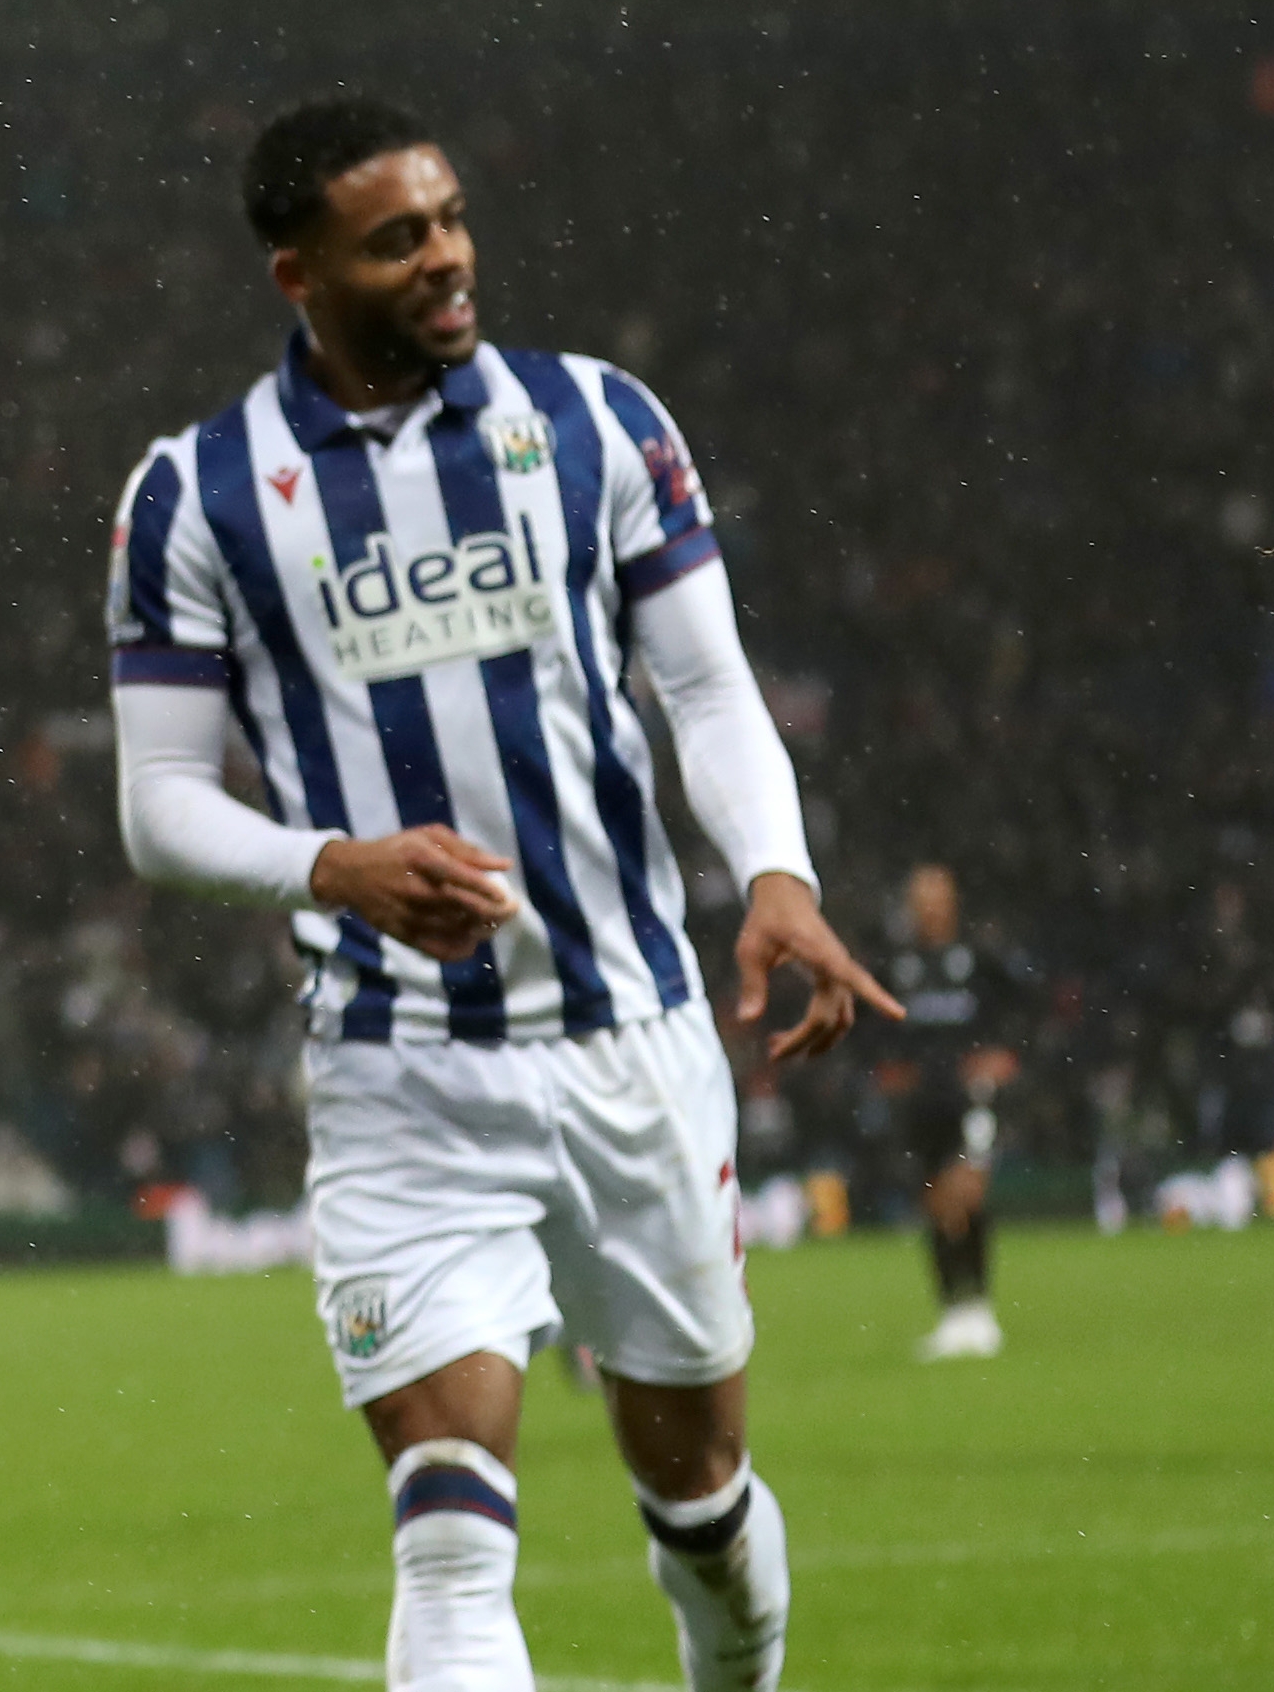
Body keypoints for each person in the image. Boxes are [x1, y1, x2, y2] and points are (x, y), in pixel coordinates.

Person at [102, 96, 898, 1692]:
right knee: (452, 1534)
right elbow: (161, 807)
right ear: (298, 273)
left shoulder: (596, 422)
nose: (449, 255)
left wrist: (777, 876)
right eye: (399, 237)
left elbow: (710, 689)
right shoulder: (193, 496)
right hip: (403, 1071)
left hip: (635, 1047)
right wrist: (328, 863)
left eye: (453, 217)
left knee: (701, 1508)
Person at [888, 862, 1018, 1360]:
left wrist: (1006, 1053)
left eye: (938, 898)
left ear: (952, 904)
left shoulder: (977, 961)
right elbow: (879, 1029)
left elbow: (1016, 1010)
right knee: (936, 1205)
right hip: (924, 1102)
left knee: (968, 1191)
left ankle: (980, 1310)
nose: (931, 908)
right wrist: (890, 1068)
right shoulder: (899, 965)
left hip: (972, 1097)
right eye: (922, 899)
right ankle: (952, 1313)